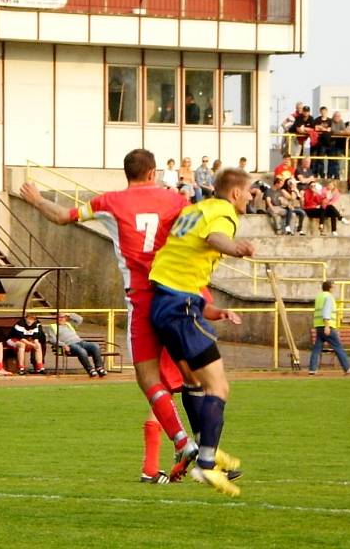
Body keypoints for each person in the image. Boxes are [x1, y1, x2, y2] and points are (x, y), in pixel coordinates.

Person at [20, 149, 211, 483]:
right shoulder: (176, 200)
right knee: (186, 381)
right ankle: (186, 456)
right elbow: (198, 238)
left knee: (149, 378)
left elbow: (64, 216)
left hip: (143, 298)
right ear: (153, 173)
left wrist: (36, 200)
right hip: (180, 298)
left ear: (127, 174)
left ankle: (190, 448)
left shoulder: (109, 202)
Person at [149, 168, 256, 496]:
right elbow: (215, 239)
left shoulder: (194, 209)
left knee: (195, 383)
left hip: (167, 302)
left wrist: (211, 309)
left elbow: (186, 255)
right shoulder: (223, 213)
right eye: (250, 191)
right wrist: (236, 248)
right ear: (235, 193)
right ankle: (206, 464)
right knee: (219, 387)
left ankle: (205, 451)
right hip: (180, 305)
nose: (252, 197)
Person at [309, 280, 350, 375]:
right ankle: (347, 367)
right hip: (327, 326)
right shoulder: (329, 297)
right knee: (338, 347)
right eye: (333, 286)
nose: (334, 288)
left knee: (317, 349)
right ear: (330, 288)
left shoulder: (319, 297)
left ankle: (312, 369)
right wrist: (327, 326)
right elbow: (326, 312)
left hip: (318, 326)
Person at [45, 313, 106, 378]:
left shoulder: (69, 324)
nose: (60, 319)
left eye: (62, 317)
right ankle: (90, 370)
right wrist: (63, 345)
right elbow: (53, 340)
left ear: (65, 318)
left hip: (80, 342)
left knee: (95, 346)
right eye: (58, 317)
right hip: (69, 344)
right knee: (82, 351)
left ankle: (99, 368)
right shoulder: (52, 327)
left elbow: (80, 319)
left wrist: (69, 315)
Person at [311, 106, 332, 177]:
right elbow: (316, 128)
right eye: (322, 111)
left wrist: (321, 128)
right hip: (317, 142)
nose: (323, 113)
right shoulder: (317, 119)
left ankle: (322, 174)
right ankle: (314, 174)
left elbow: (329, 129)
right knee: (314, 159)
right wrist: (324, 129)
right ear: (320, 112)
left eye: (325, 111)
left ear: (327, 111)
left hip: (325, 142)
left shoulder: (330, 120)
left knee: (321, 160)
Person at [328, 111, 347, 179]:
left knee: (338, 161)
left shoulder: (341, 122)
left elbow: (344, 131)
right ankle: (329, 175)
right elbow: (331, 130)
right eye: (336, 116)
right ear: (333, 117)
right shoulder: (330, 121)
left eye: (338, 116)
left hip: (339, 144)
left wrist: (337, 132)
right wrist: (339, 132)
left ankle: (337, 175)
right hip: (331, 143)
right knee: (331, 160)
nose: (337, 118)